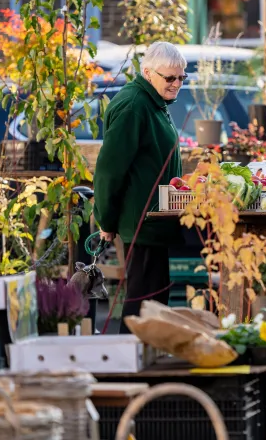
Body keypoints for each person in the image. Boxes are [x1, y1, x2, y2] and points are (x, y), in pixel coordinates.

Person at [93, 41, 188, 332]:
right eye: (169, 77)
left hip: (156, 220)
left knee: (154, 302)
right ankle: (130, 353)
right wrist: (106, 220)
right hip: (142, 221)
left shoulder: (154, 102)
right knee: (142, 303)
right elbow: (109, 169)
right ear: (148, 73)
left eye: (181, 77)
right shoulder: (134, 106)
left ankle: (148, 353)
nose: (176, 84)